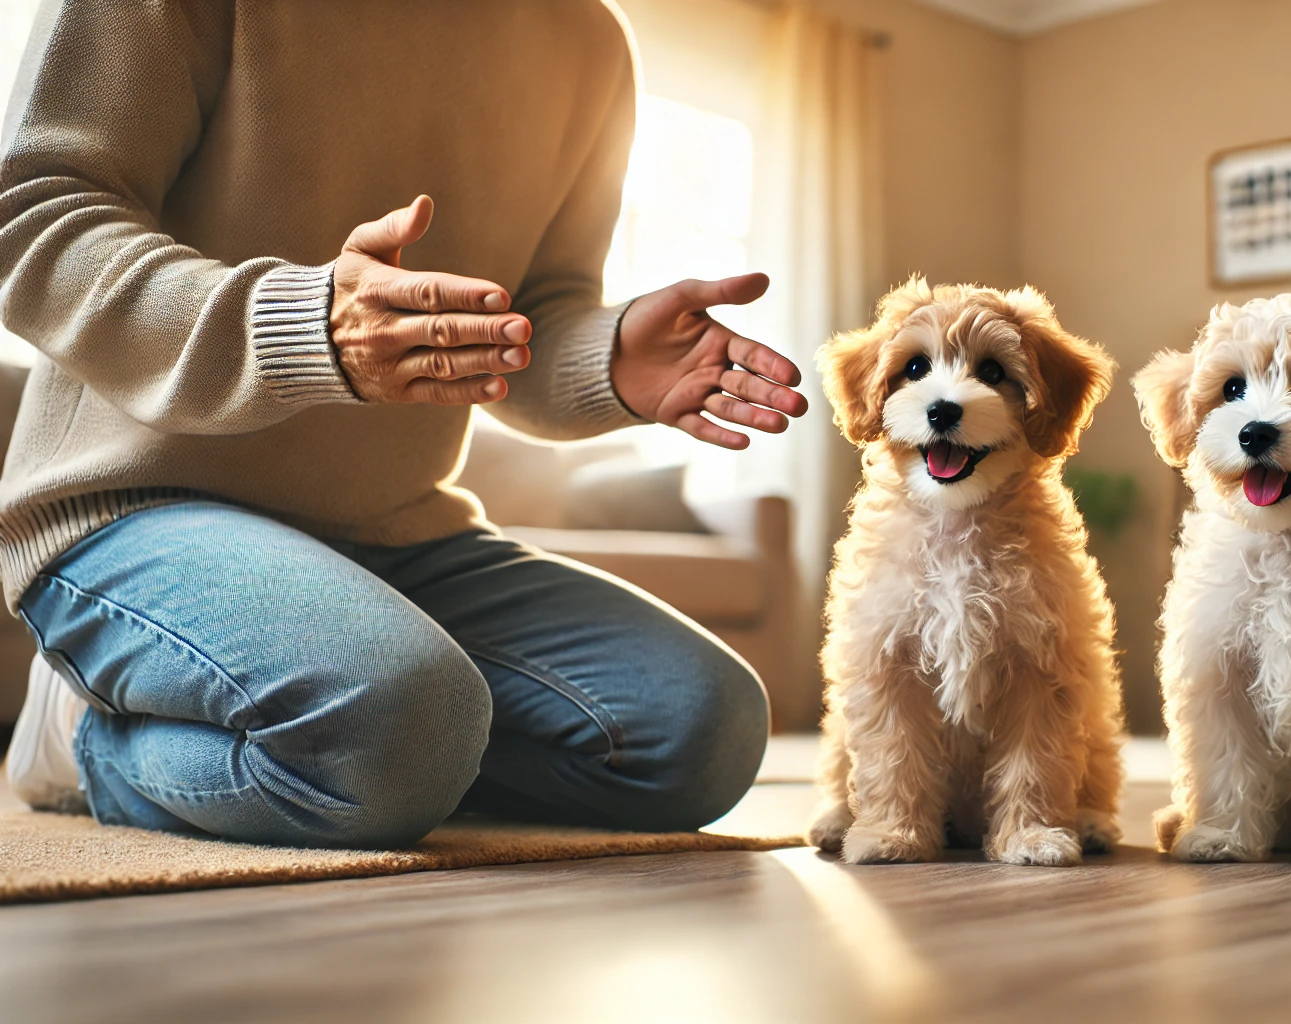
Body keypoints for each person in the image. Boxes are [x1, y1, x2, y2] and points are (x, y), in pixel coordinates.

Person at [0, 1, 807, 848]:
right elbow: (34, 221)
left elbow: (527, 315)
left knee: (701, 732)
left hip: (401, 533)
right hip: (129, 506)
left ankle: (397, 749)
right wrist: (304, 326)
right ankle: (82, 741)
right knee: (399, 729)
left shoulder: (587, 42)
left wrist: (605, 358)